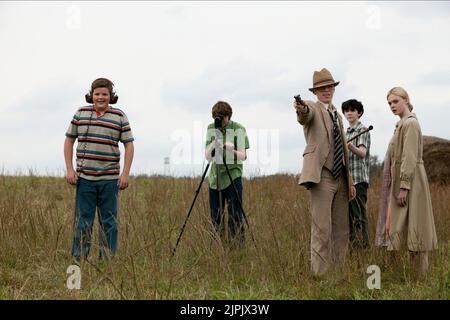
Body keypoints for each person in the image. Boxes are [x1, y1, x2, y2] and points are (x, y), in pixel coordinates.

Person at [64, 78, 134, 263]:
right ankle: (79, 261)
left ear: (111, 96)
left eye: (105, 94)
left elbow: (129, 145)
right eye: (97, 94)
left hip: (110, 180)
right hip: (84, 179)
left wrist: (125, 174)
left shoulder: (120, 116)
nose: (101, 97)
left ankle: (106, 263)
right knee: (83, 222)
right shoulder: (81, 113)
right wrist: (70, 169)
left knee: (109, 223)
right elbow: (69, 140)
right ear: (91, 95)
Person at [293, 68, 356, 276]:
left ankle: (338, 274)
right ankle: (320, 277)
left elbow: (344, 149)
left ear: (333, 89)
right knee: (322, 230)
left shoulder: (337, 113)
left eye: (329, 87)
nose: (326, 91)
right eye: (321, 88)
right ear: (315, 92)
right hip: (322, 176)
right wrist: (300, 107)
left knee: (342, 230)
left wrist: (351, 181)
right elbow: (304, 115)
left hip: (341, 178)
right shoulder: (312, 108)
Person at [382, 87, 437, 274]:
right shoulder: (401, 124)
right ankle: (415, 276)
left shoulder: (411, 123)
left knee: (418, 227)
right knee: (409, 228)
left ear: (406, 100)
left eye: (395, 101)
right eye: (389, 103)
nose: (392, 106)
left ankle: (422, 277)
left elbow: (409, 156)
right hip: (403, 179)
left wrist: (404, 186)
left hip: (412, 180)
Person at [204, 101, 249, 247]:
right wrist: (215, 142)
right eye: (216, 117)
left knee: (235, 215)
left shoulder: (239, 129)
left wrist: (231, 150)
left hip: (232, 176)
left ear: (228, 117)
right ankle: (217, 247)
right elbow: (207, 156)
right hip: (215, 178)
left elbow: (243, 156)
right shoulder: (211, 128)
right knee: (215, 216)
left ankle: (237, 248)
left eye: (221, 117)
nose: (219, 121)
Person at [342, 99, 371, 249]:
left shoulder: (363, 130)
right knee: (349, 219)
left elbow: (362, 153)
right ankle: (354, 250)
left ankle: (364, 248)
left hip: (359, 180)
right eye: (346, 111)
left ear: (359, 112)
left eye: (353, 110)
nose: (349, 113)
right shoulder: (344, 132)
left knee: (359, 216)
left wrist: (349, 146)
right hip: (347, 181)